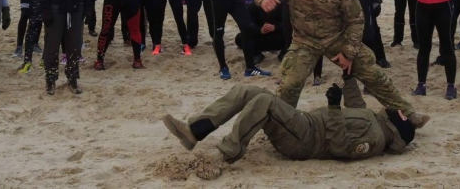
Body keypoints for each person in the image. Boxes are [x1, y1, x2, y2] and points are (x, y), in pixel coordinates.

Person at [254, 0, 429, 128]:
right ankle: (277, 125)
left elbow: (356, 20)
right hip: (304, 40)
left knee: (373, 74)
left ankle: (408, 114)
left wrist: (349, 53)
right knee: (291, 83)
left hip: (336, 38)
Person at [162, 76, 417, 165]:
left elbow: (341, 148)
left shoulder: (375, 139)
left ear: (400, 126)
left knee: (265, 103)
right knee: (248, 91)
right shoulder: (375, 119)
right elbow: (357, 106)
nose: (400, 111)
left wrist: (332, 107)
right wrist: (349, 80)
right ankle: (194, 130)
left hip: (306, 141)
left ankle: (227, 152)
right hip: (304, 124)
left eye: (404, 115)